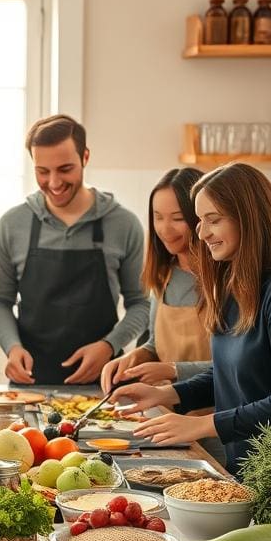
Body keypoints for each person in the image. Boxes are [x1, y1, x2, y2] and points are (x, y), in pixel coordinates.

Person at [114, 162, 271, 476]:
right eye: (199, 220)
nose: (201, 232)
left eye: (213, 220)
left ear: (249, 219)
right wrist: (168, 394)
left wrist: (199, 424)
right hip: (251, 469)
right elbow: (231, 372)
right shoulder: (234, 280)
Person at [0, 114, 149, 385]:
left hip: (104, 388)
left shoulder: (124, 224)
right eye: (42, 171)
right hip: (31, 387)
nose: (53, 183)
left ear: (85, 157)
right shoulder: (12, 224)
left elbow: (142, 304)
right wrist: (12, 348)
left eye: (65, 169)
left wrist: (109, 346)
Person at [100, 167, 211, 391]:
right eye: (157, 217)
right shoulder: (163, 275)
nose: (164, 229)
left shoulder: (228, 281)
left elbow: (238, 365)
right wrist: (133, 358)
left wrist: (173, 370)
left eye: (177, 218)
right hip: (168, 407)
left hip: (216, 413)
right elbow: (155, 344)